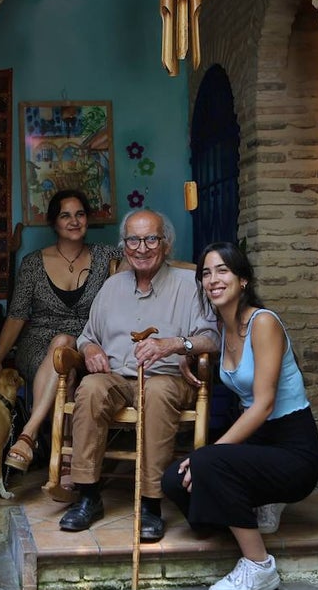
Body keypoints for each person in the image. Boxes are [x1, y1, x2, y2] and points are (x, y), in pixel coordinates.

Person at [162, 241, 318, 590]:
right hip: (259, 446)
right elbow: (205, 344)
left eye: (223, 271)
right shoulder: (223, 329)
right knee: (174, 481)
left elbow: (263, 405)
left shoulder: (263, 323)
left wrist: (213, 455)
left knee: (205, 463)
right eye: (206, 273)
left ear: (243, 279)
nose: (213, 279)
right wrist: (188, 352)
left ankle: (259, 565)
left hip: (293, 449)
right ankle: (249, 511)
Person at [57, 209, 218, 542]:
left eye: (150, 239)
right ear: (124, 245)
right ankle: (87, 495)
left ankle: (150, 503)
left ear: (166, 244)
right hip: (118, 379)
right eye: (133, 239)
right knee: (89, 387)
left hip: (169, 380)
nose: (141, 248)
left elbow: (212, 338)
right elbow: (88, 335)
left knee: (156, 393)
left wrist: (175, 344)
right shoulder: (112, 287)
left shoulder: (189, 285)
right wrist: (90, 350)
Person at [0, 189, 123, 475]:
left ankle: (31, 437)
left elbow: (144, 267)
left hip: (90, 342)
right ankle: (67, 459)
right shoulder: (34, 263)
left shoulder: (108, 256)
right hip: (39, 342)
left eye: (80, 214)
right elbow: (16, 316)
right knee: (63, 357)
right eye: (65, 215)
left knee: (68, 355)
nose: (74, 221)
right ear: (54, 223)